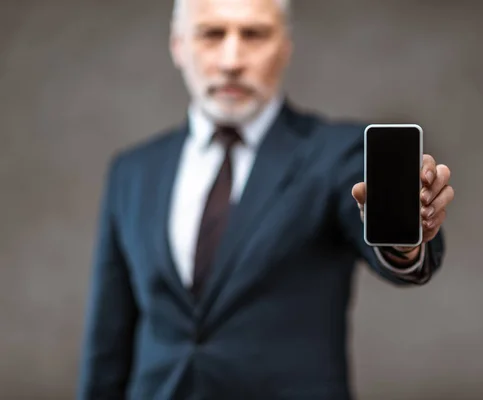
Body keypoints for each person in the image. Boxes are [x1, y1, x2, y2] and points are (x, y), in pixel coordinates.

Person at [77, 0, 455, 398]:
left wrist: (406, 239)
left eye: (254, 34)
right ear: (177, 45)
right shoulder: (133, 172)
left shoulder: (338, 156)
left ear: (285, 46)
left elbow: (384, 237)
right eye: (211, 34)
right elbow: (109, 339)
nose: (232, 60)